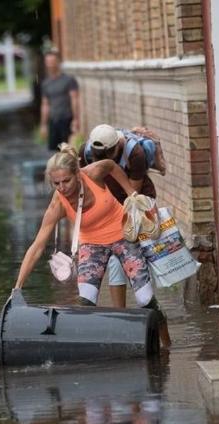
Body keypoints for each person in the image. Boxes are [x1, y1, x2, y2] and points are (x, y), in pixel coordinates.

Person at [14, 144, 171, 347]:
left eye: (66, 181)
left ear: (78, 174)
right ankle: (97, 348)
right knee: (84, 304)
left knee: (145, 300)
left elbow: (111, 165)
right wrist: (17, 287)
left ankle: (167, 345)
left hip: (122, 235)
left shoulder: (94, 173)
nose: (62, 188)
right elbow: (37, 246)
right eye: (56, 183)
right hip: (92, 244)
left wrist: (131, 192)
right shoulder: (58, 204)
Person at [81, 124, 157, 308]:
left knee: (136, 257)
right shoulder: (85, 152)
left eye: (109, 159)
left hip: (136, 205)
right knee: (116, 261)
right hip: (108, 208)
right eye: (98, 159)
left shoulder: (135, 154)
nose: (104, 164)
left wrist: (111, 222)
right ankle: (121, 313)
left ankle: (146, 309)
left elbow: (132, 196)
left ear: (117, 148)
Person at [39, 51, 79, 151]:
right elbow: (45, 104)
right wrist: (43, 124)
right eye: (48, 62)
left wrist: (76, 119)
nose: (50, 64)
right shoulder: (45, 83)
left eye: (52, 61)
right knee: (55, 151)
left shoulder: (69, 80)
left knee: (67, 150)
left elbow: (74, 100)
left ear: (58, 62)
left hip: (66, 119)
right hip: (53, 120)